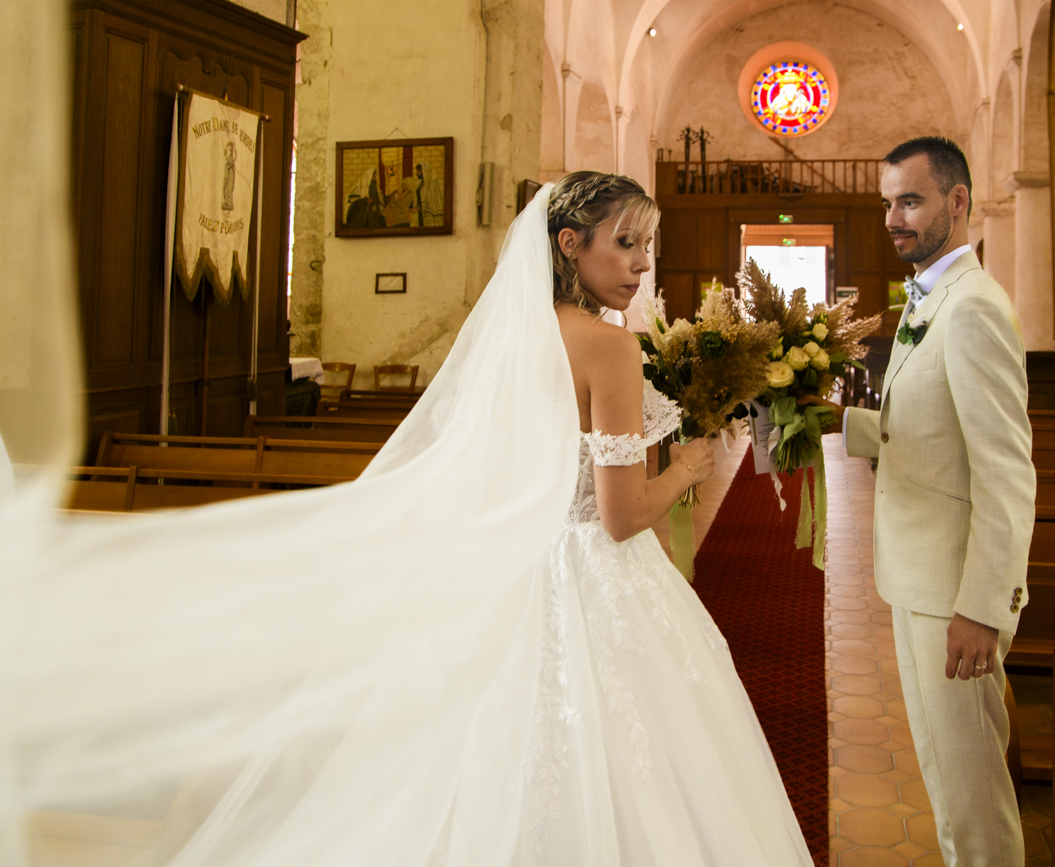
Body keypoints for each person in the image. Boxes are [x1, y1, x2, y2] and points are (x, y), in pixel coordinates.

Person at [0, 173, 814, 867]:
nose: (641, 264)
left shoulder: (511, 337)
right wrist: (686, 469)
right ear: (569, 244)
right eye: (625, 243)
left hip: (513, 574)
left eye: (648, 246)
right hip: (595, 582)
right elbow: (620, 515)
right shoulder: (608, 348)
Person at [841, 137, 1034, 866]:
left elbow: (1005, 472)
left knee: (972, 795)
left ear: (958, 201)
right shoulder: (930, 295)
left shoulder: (973, 306)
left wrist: (983, 607)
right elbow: (929, 427)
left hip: (955, 593)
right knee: (946, 780)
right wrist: (841, 422)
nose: (894, 218)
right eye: (888, 202)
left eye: (911, 201)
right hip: (921, 579)